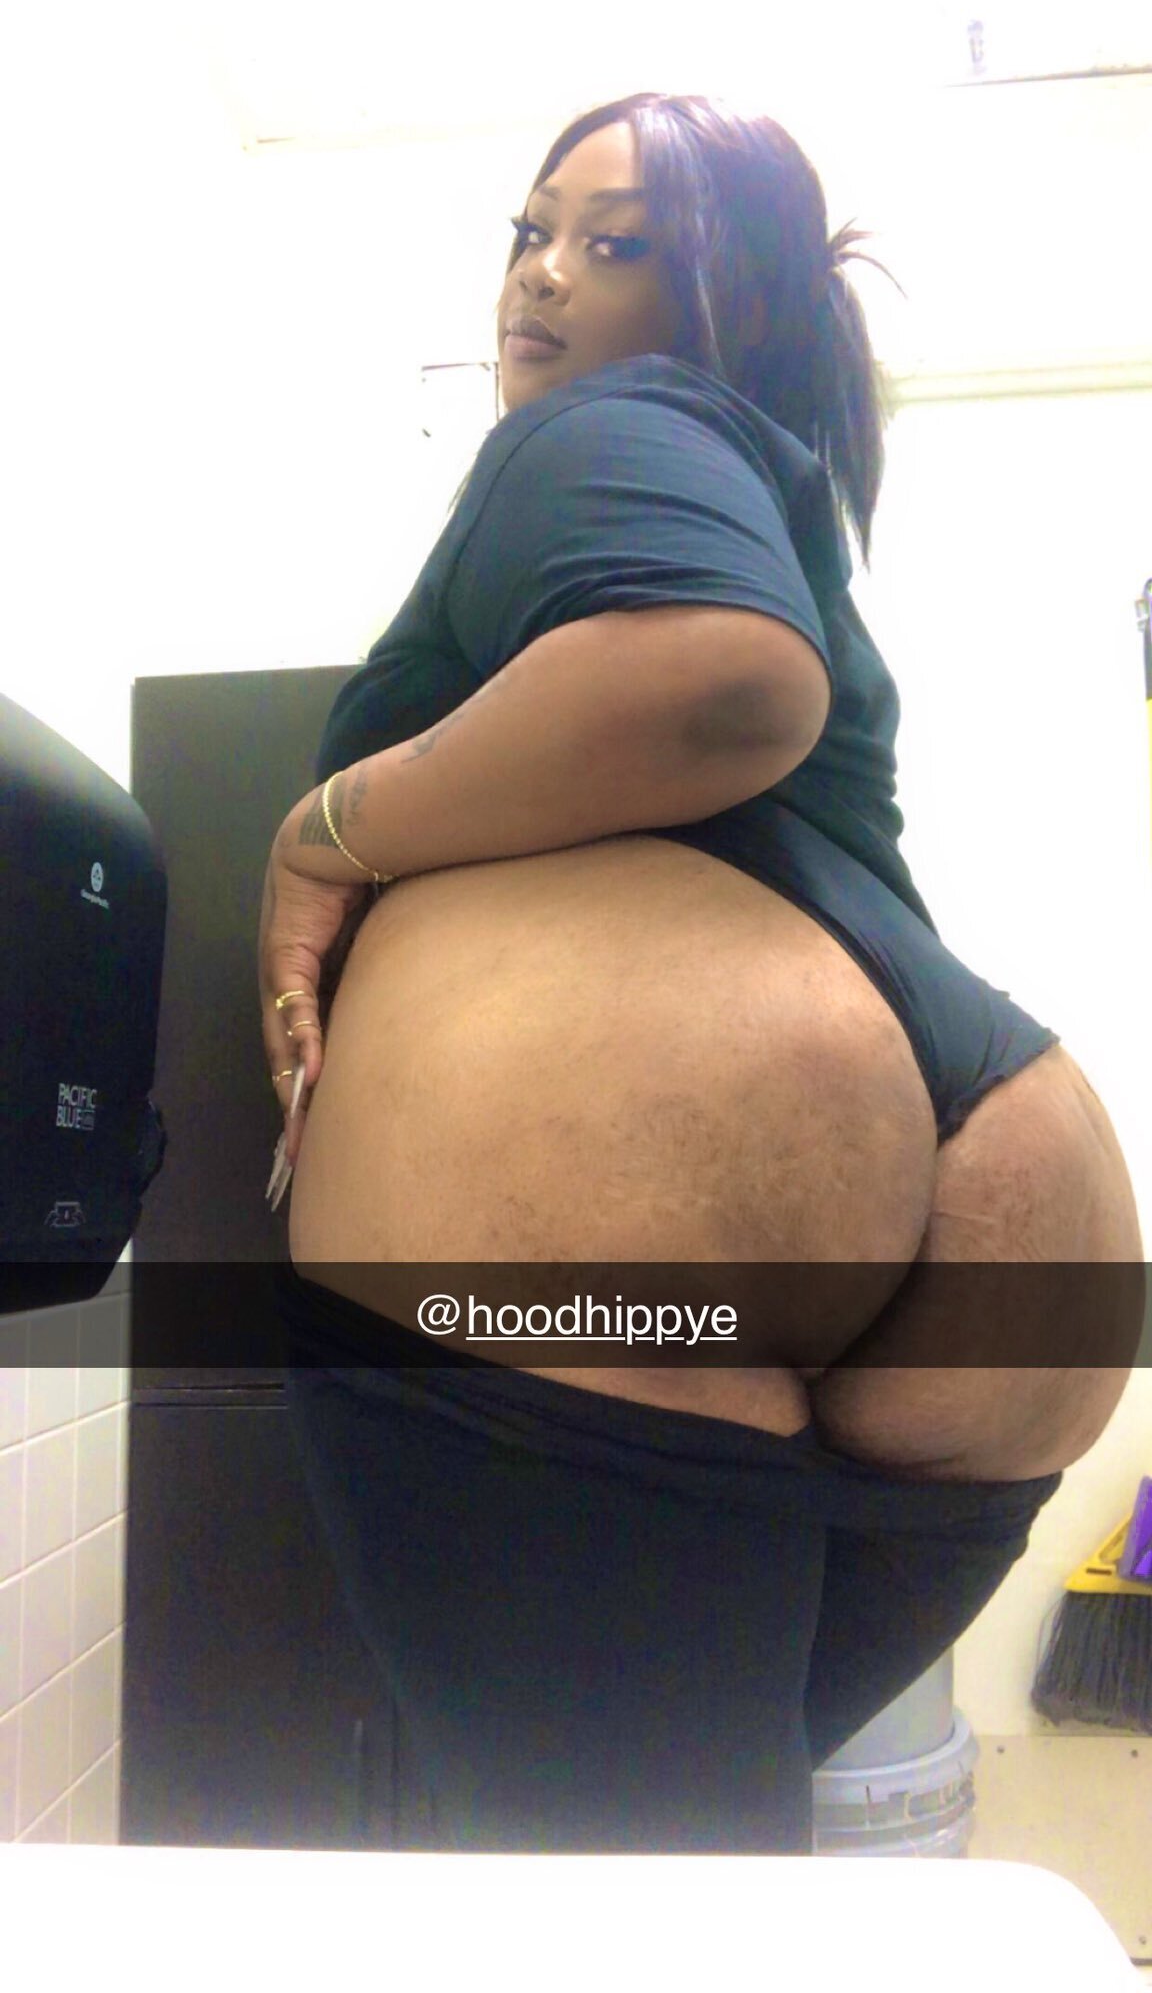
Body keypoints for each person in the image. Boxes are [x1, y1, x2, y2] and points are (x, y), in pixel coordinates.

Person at [256, 93, 1144, 1851]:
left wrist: (321, 832)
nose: (543, 276)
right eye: (530, 232)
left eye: (618, 243)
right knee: (702, 1884)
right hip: (1015, 1215)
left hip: (628, 1207)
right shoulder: (765, 477)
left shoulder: (607, 424)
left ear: (726, 302)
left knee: (631, 1903)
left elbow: (720, 677)